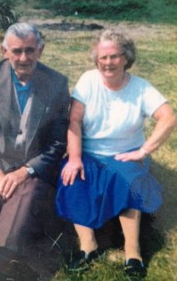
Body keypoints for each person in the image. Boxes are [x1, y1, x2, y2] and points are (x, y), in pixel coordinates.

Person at [56, 29, 176, 277]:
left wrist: (144, 150)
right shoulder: (88, 81)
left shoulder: (141, 88)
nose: (108, 63)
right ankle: (88, 246)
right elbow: (74, 121)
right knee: (72, 178)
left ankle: (133, 253)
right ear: (96, 59)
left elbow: (168, 117)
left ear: (126, 58)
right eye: (103, 57)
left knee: (126, 180)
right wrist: (76, 158)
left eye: (114, 56)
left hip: (126, 153)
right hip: (89, 152)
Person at [0, 22, 70, 281]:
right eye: (17, 51)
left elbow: (57, 142)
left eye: (30, 50)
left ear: (40, 51)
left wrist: (25, 171)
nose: (24, 58)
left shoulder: (56, 83)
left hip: (33, 167)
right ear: (4, 51)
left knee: (27, 192)